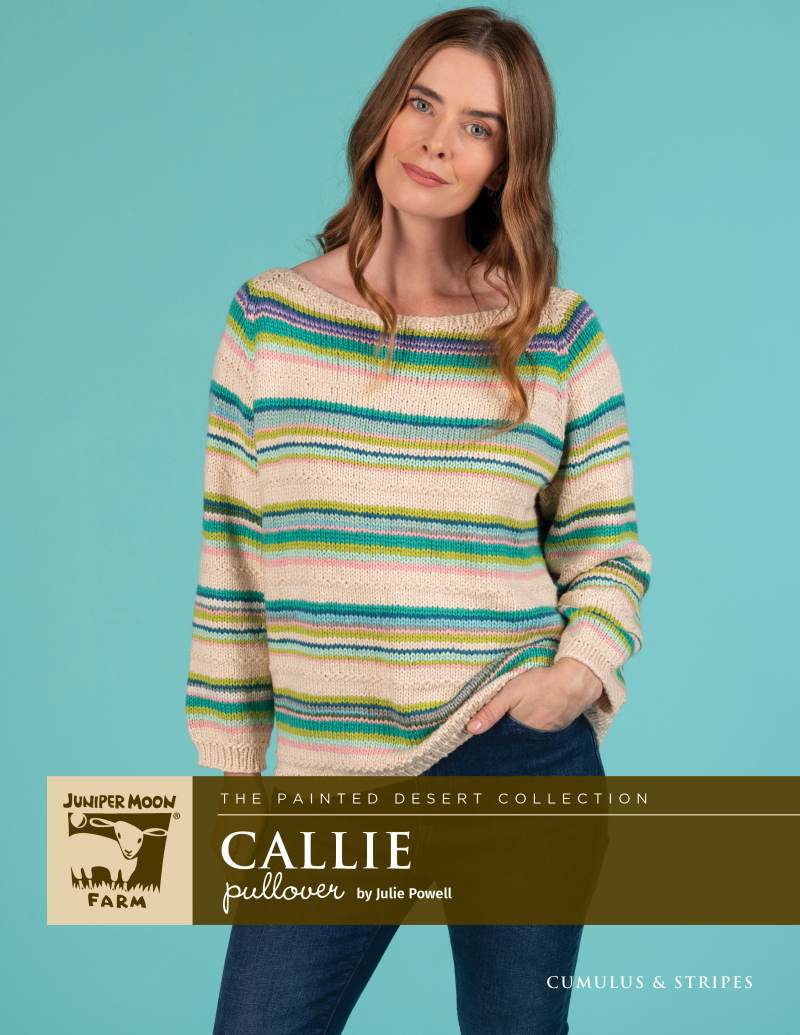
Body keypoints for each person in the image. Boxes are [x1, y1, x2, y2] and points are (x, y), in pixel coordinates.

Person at [185, 7, 652, 1032]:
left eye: (478, 127)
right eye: (422, 104)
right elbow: (233, 555)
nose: (438, 142)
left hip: (513, 754)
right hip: (331, 776)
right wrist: (233, 769)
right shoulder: (267, 320)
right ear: (384, 115)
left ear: (506, 165)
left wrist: (572, 679)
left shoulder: (555, 333)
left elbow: (608, 553)